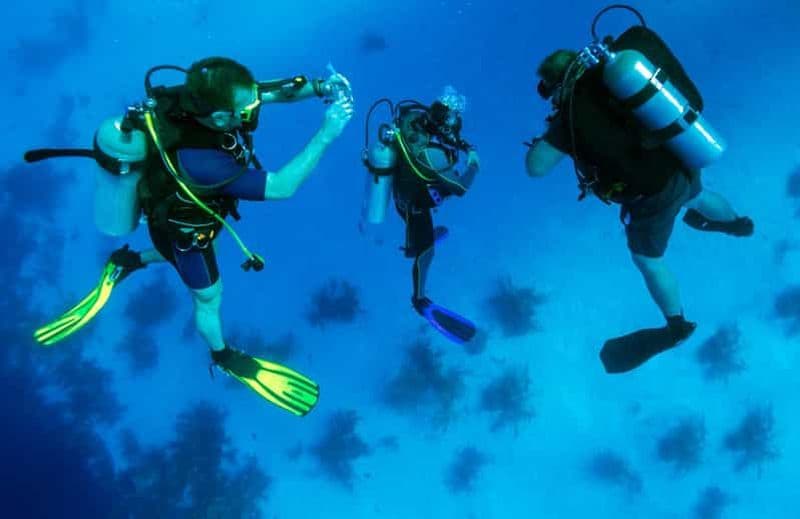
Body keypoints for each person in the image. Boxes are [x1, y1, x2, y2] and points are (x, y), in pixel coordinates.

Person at [28, 57, 354, 415]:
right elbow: (282, 187)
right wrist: (327, 133)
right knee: (209, 298)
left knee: (195, 244)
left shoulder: (200, 97)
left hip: (190, 218)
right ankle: (222, 354)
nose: (252, 107)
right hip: (186, 234)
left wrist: (322, 87)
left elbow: (268, 92)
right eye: (242, 108)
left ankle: (129, 261)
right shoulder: (202, 161)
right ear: (219, 118)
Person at [524, 15, 754, 373]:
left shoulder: (568, 118)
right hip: (680, 159)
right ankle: (739, 224)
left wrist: (550, 132)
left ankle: (676, 326)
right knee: (696, 196)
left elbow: (535, 167)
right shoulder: (618, 77)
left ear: (557, 84)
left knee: (646, 259)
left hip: (651, 194)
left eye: (547, 89)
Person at [360, 87, 480, 344]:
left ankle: (415, 244)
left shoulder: (412, 117)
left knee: (416, 226)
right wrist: (473, 162)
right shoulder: (433, 154)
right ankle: (419, 299)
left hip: (400, 194)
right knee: (428, 252)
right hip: (415, 206)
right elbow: (459, 188)